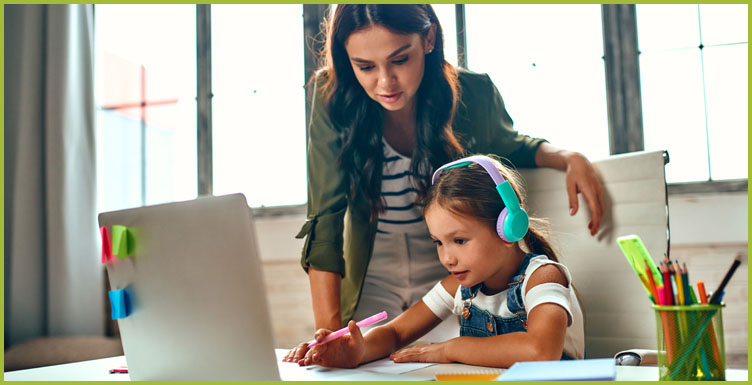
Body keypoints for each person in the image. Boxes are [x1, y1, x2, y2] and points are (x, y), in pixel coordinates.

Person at [295, 4, 604, 338]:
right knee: (362, 359)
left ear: (428, 38)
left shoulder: (473, 91)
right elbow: (324, 221)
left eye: (400, 59)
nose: (385, 82)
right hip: (372, 271)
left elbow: (514, 145)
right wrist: (326, 333)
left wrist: (569, 157)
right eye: (365, 66)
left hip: (447, 270)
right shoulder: (333, 95)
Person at [285, 155, 585, 367]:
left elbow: (541, 350)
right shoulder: (457, 287)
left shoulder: (543, 277)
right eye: (438, 243)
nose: (447, 257)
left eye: (460, 240)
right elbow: (395, 333)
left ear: (508, 226)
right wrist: (357, 350)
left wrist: (450, 349)